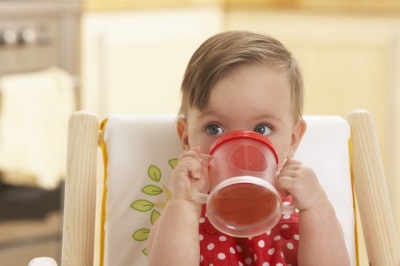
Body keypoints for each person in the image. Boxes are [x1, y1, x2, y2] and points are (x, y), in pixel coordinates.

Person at [147, 30, 350, 265]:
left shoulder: (302, 210)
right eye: (215, 129)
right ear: (186, 139)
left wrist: (315, 205)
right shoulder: (184, 214)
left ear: (293, 140)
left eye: (262, 129)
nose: (241, 151)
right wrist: (184, 203)